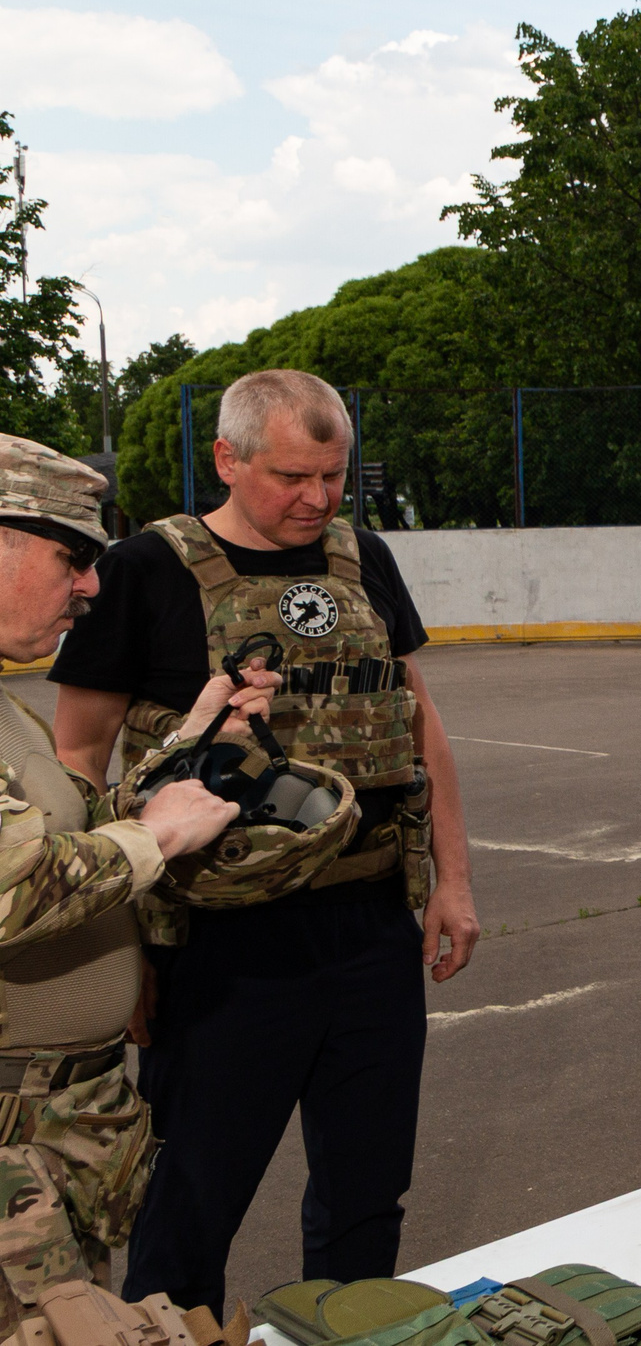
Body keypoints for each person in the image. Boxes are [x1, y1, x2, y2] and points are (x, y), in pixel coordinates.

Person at [47, 369, 481, 1311]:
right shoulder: (145, 570)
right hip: (218, 946)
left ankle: (356, 1330)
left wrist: (454, 882)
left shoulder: (361, 555)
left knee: (368, 1196)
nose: (318, 499)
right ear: (227, 460)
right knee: (189, 1202)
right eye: (293, 476)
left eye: (333, 475)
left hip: (368, 928)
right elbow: (77, 758)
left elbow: (421, 724)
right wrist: (115, 948)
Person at [0, 437, 249, 1321]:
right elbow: (11, 889)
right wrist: (156, 837)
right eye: (72, 556)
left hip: (55, 1125)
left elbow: (65, 824)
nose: (92, 585)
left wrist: (191, 740)